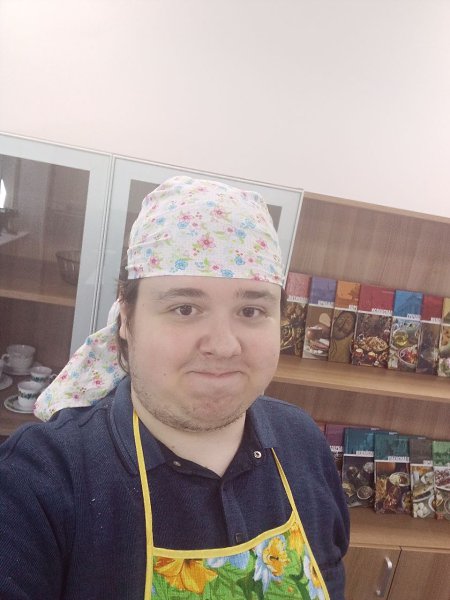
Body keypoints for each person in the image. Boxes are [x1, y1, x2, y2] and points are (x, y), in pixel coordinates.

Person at [0, 176, 349, 599]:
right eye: (185, 308)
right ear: (127, 318)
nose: (223, 345)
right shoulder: (37, 481)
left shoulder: (303, 442)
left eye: (251, 310)